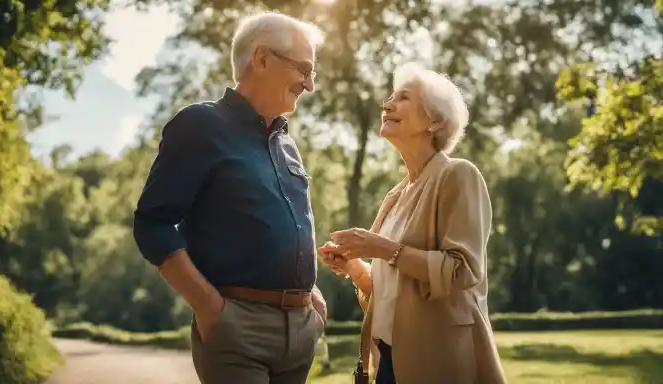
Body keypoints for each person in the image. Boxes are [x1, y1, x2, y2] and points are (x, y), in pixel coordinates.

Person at [133, 12, 327, 384]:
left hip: (300, 330)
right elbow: (152, 223)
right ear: (262, 59)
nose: (310, 85)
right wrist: (208, 306)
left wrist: (309, 294)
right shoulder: (200, 125)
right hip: (237, 329)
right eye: (304, 69)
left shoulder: (286, 144)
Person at [319, 63, 507, 384]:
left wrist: (382, 247)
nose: (387, 104)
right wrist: (355, 268)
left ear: (434, 121)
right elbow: (390, 296)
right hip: (389, 364)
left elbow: (462, 271)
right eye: (390, 97)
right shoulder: (395, 195)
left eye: (403, 98)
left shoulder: (458, 175)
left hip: (438, 362)